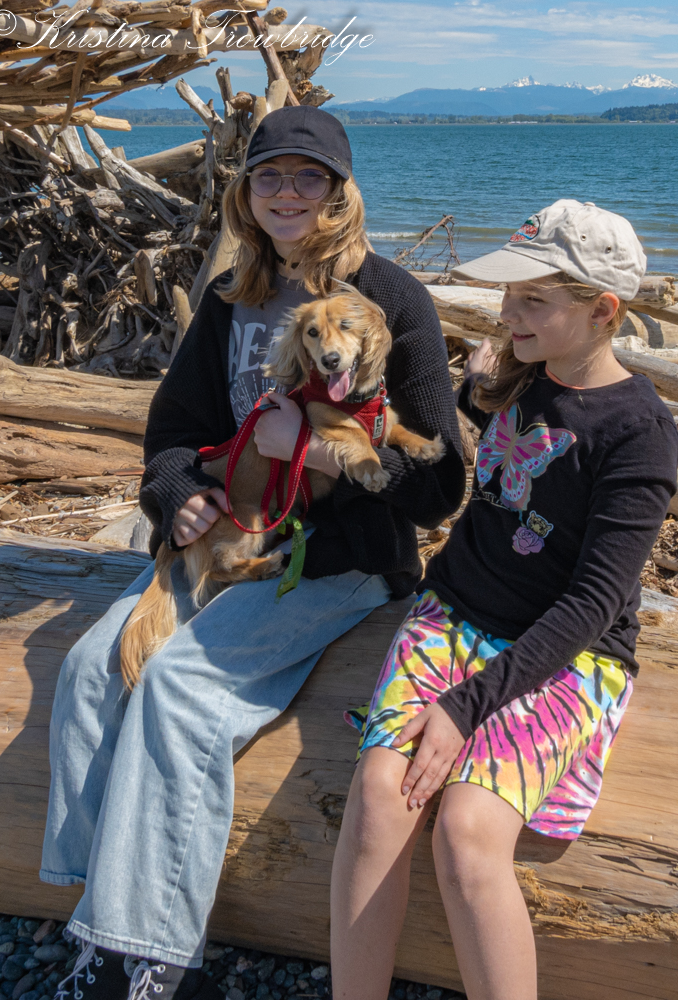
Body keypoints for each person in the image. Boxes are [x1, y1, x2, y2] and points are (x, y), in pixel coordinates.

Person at [39, 106, 465, 1000]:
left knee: (180, 688)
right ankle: (98, 920)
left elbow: (441, 488)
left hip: (342, 559)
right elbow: (172, 431)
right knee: (90, 671)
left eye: (309, 176)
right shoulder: (234, 296)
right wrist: (176, 496)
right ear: (244, 193)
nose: (287, 192)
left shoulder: (394, 300)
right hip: (226, 536)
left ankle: (148, 961)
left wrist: (312, 452)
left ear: (341, 192)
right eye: (269, 175)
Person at [330, 200, 678, 1000]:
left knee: (466, 831)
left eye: (533, 300)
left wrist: (466, 707)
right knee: (381, 797)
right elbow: (488, 428)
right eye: (508, 295)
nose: (508, 313)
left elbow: (595, 602)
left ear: (603, 311)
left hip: (565, 651)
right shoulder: (519, 376)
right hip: (451, 615)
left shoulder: (639, 432)